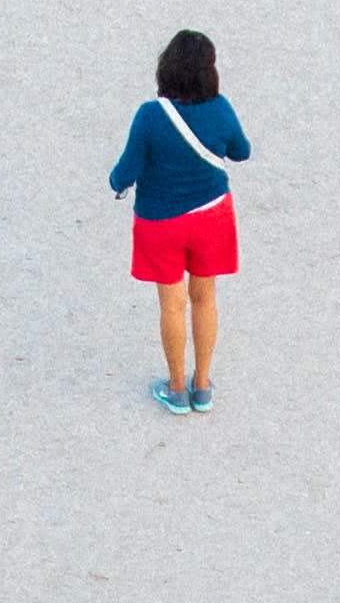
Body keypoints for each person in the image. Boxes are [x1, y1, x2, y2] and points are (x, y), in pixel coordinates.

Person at [108, 32, 255, 413]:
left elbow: (126, 170)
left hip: (161, 223)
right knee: (204, 298)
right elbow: (241, 151)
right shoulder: (220, 109)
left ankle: (175, 388)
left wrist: (117, 184)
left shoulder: (150, 115)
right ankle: (202, 386)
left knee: (171, 305)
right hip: (212, 217)